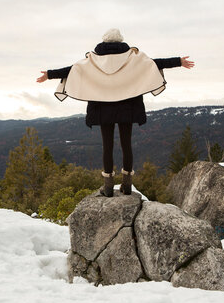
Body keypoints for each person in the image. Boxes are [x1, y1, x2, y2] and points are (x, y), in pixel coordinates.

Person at [37, 28, 194, 197]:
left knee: (107, 146)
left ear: (104, 41)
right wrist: (178, 61)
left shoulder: (92, 60)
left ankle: (108, 187)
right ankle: (127, 185)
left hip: (103, 108)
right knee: (126, 144)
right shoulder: (132, 57)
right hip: (127, 106)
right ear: (120, 41)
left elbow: (73, 69)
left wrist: (49, 74)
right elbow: (154, 63)